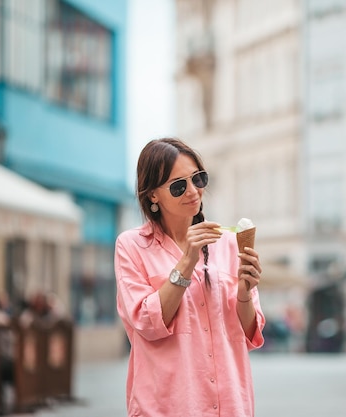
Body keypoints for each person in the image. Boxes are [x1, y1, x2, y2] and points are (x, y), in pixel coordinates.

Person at [114, 138, 265, 417]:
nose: (193, 191)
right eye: (178, 185)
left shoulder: (229, 242)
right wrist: (187, 263)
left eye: (198, 178)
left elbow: (246, 334)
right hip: (166, 405)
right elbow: (146, 323)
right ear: (153, 195)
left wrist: (245, 292)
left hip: (230, 404)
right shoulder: (131, 246)